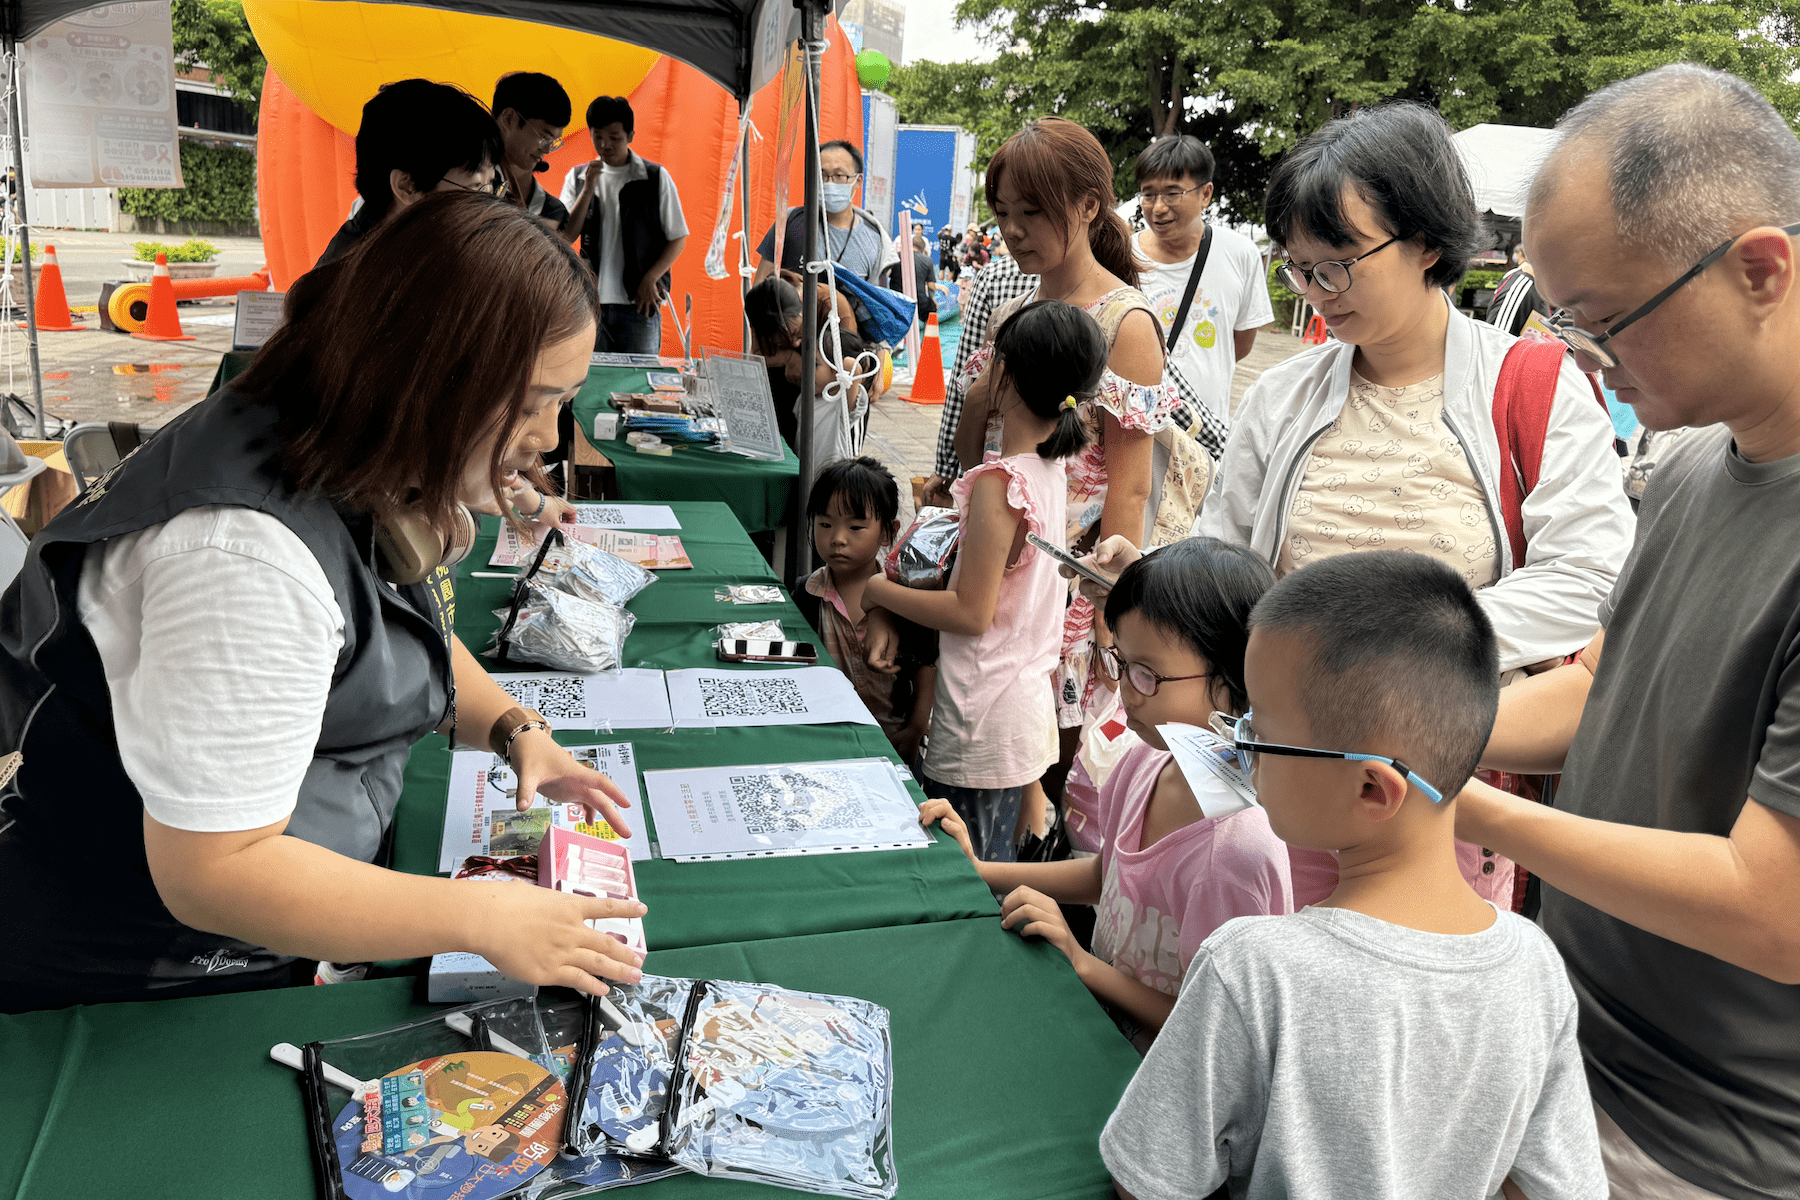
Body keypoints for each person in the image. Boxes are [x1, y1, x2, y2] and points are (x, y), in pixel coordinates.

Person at [0, 193, 647, 1012]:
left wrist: (518, 731)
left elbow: (404, 624)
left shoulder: (338, 444)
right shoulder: (244, 561)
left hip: (250, 947)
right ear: (427, 378)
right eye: (531, 403)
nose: (551, 437)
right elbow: (219, 872)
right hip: (138, 986)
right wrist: (481, 917)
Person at [1457, 64, 1800, 1199]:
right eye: (1563, 319)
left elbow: (1772, 905)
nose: (1581, 356)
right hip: (1564, 1048)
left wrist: (1460, 802)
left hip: (1703, 1141)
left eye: (1606, 320)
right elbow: (1610, 686)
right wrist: (1422, 734)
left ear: (1759, 268)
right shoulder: (1696, 458)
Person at [1191, 101, 1634, 908]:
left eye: (1339, 263)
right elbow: (1231, 558)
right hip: (1288, 775)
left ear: (1428, 240)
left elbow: (1588, 579)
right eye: (1298, 267)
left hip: (1440, 791)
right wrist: (1173, 584)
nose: (1316, 291)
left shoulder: (1532, 387)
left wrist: (1391, 654)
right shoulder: (1282, 398)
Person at [1101, 551, 1605, 1200]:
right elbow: (1562, 1187)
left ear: (1372, 788)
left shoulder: (1251, 969)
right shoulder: (1534, 967)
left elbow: (1144, 1181)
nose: (1237, 748)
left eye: (1260, 735)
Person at [919, 537, 1292, 1043]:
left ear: (1233, 681)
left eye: (1147, 675)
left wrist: (1082, 962)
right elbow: (1111, 874)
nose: (1124, 691)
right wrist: (984, 872)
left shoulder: (1234, 857)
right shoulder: (1144, 761)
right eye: (1121, 662)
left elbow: (1217, 1028)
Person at [949, 116, 1178, 746]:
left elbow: (1128, 491)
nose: (1013, 229)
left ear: (1086, 206)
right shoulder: (1012, 313)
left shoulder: (1124, 323)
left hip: (1069, 591)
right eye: (1002, 212)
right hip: (994, 569)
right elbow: (980, 452)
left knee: (1051, 762)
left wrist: (1109, 615)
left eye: (1032, 211)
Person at [860, 300, 1098, 860]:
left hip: (980, 718)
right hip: (1018, 712)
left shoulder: (1002, 481)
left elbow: (971, 612)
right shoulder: (1048, 468)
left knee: (967, 878)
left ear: (1005, 374)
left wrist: (876, 592)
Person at [1132, 135, 1267, 454]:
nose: (1158, 208)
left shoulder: (1240, 253)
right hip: (1136, 430)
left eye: (1172, 193)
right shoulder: (1125, 256)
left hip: (1203, 434)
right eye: (1148, 195)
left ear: (1205, 194)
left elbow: (1240, 343)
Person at [797, 457, 936, 763]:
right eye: (825, 524)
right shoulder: (806, 595)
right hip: (825, 744)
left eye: (856, 526)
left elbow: (927, 665)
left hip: (893, 743)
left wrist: (915, 729)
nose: (837, 538)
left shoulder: (904, 599)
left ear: (888, 532)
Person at [315, 79, 502, 268]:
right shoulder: (350, 283)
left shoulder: (431, 246)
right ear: (408, 186)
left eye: (492, 185)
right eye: (475, 187)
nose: (490, 206)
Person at [560, 95, 689, 354]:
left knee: (637, 380)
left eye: (614, 137)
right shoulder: (578, 176)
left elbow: (678, 238)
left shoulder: (654, 178)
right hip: (589, 302)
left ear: (630, 135)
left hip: (640, 303)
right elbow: (565, 236)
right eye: (597, 137)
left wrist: (651, 277)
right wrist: (587, 191)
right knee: (590, 379)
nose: (605, 145)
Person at [925, 254, 1036, 496]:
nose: (1013, 229)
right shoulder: (1106, 282)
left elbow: (965, 381)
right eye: (1003, 215)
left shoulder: (996, 276)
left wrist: (945, 466)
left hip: (992, 461)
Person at [751, 140, 898, 288]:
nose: (829, 183)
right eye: (822, 176)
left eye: (839, 175)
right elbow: (760, 285)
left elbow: (877, 304)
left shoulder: (874, 240)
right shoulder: (790, 221)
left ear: (858, 180)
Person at [744, 271, 865, 451]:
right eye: (780, 339)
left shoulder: (832, 307)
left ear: (802, 309)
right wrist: (789, 357)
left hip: (833, 392)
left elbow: (850, 368)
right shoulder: (764, 304)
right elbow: (756, 355)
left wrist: (811, 371)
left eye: (795, 333)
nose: (794, 343)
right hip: (797, 381)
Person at [491, 72, 572, 232]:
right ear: (509, 118)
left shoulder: (554, 212)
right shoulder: (464, 181)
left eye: (554, 142)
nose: (547, 150)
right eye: (544, 137)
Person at [881, 230, 936, 321]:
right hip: (918, 301)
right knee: (930, 312)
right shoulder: (928, 260)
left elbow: (885, 275)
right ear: (923, 249)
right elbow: (931, 286)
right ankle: (926, 333)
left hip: (896, 298)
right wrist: (932, 299)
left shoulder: (897, 256)